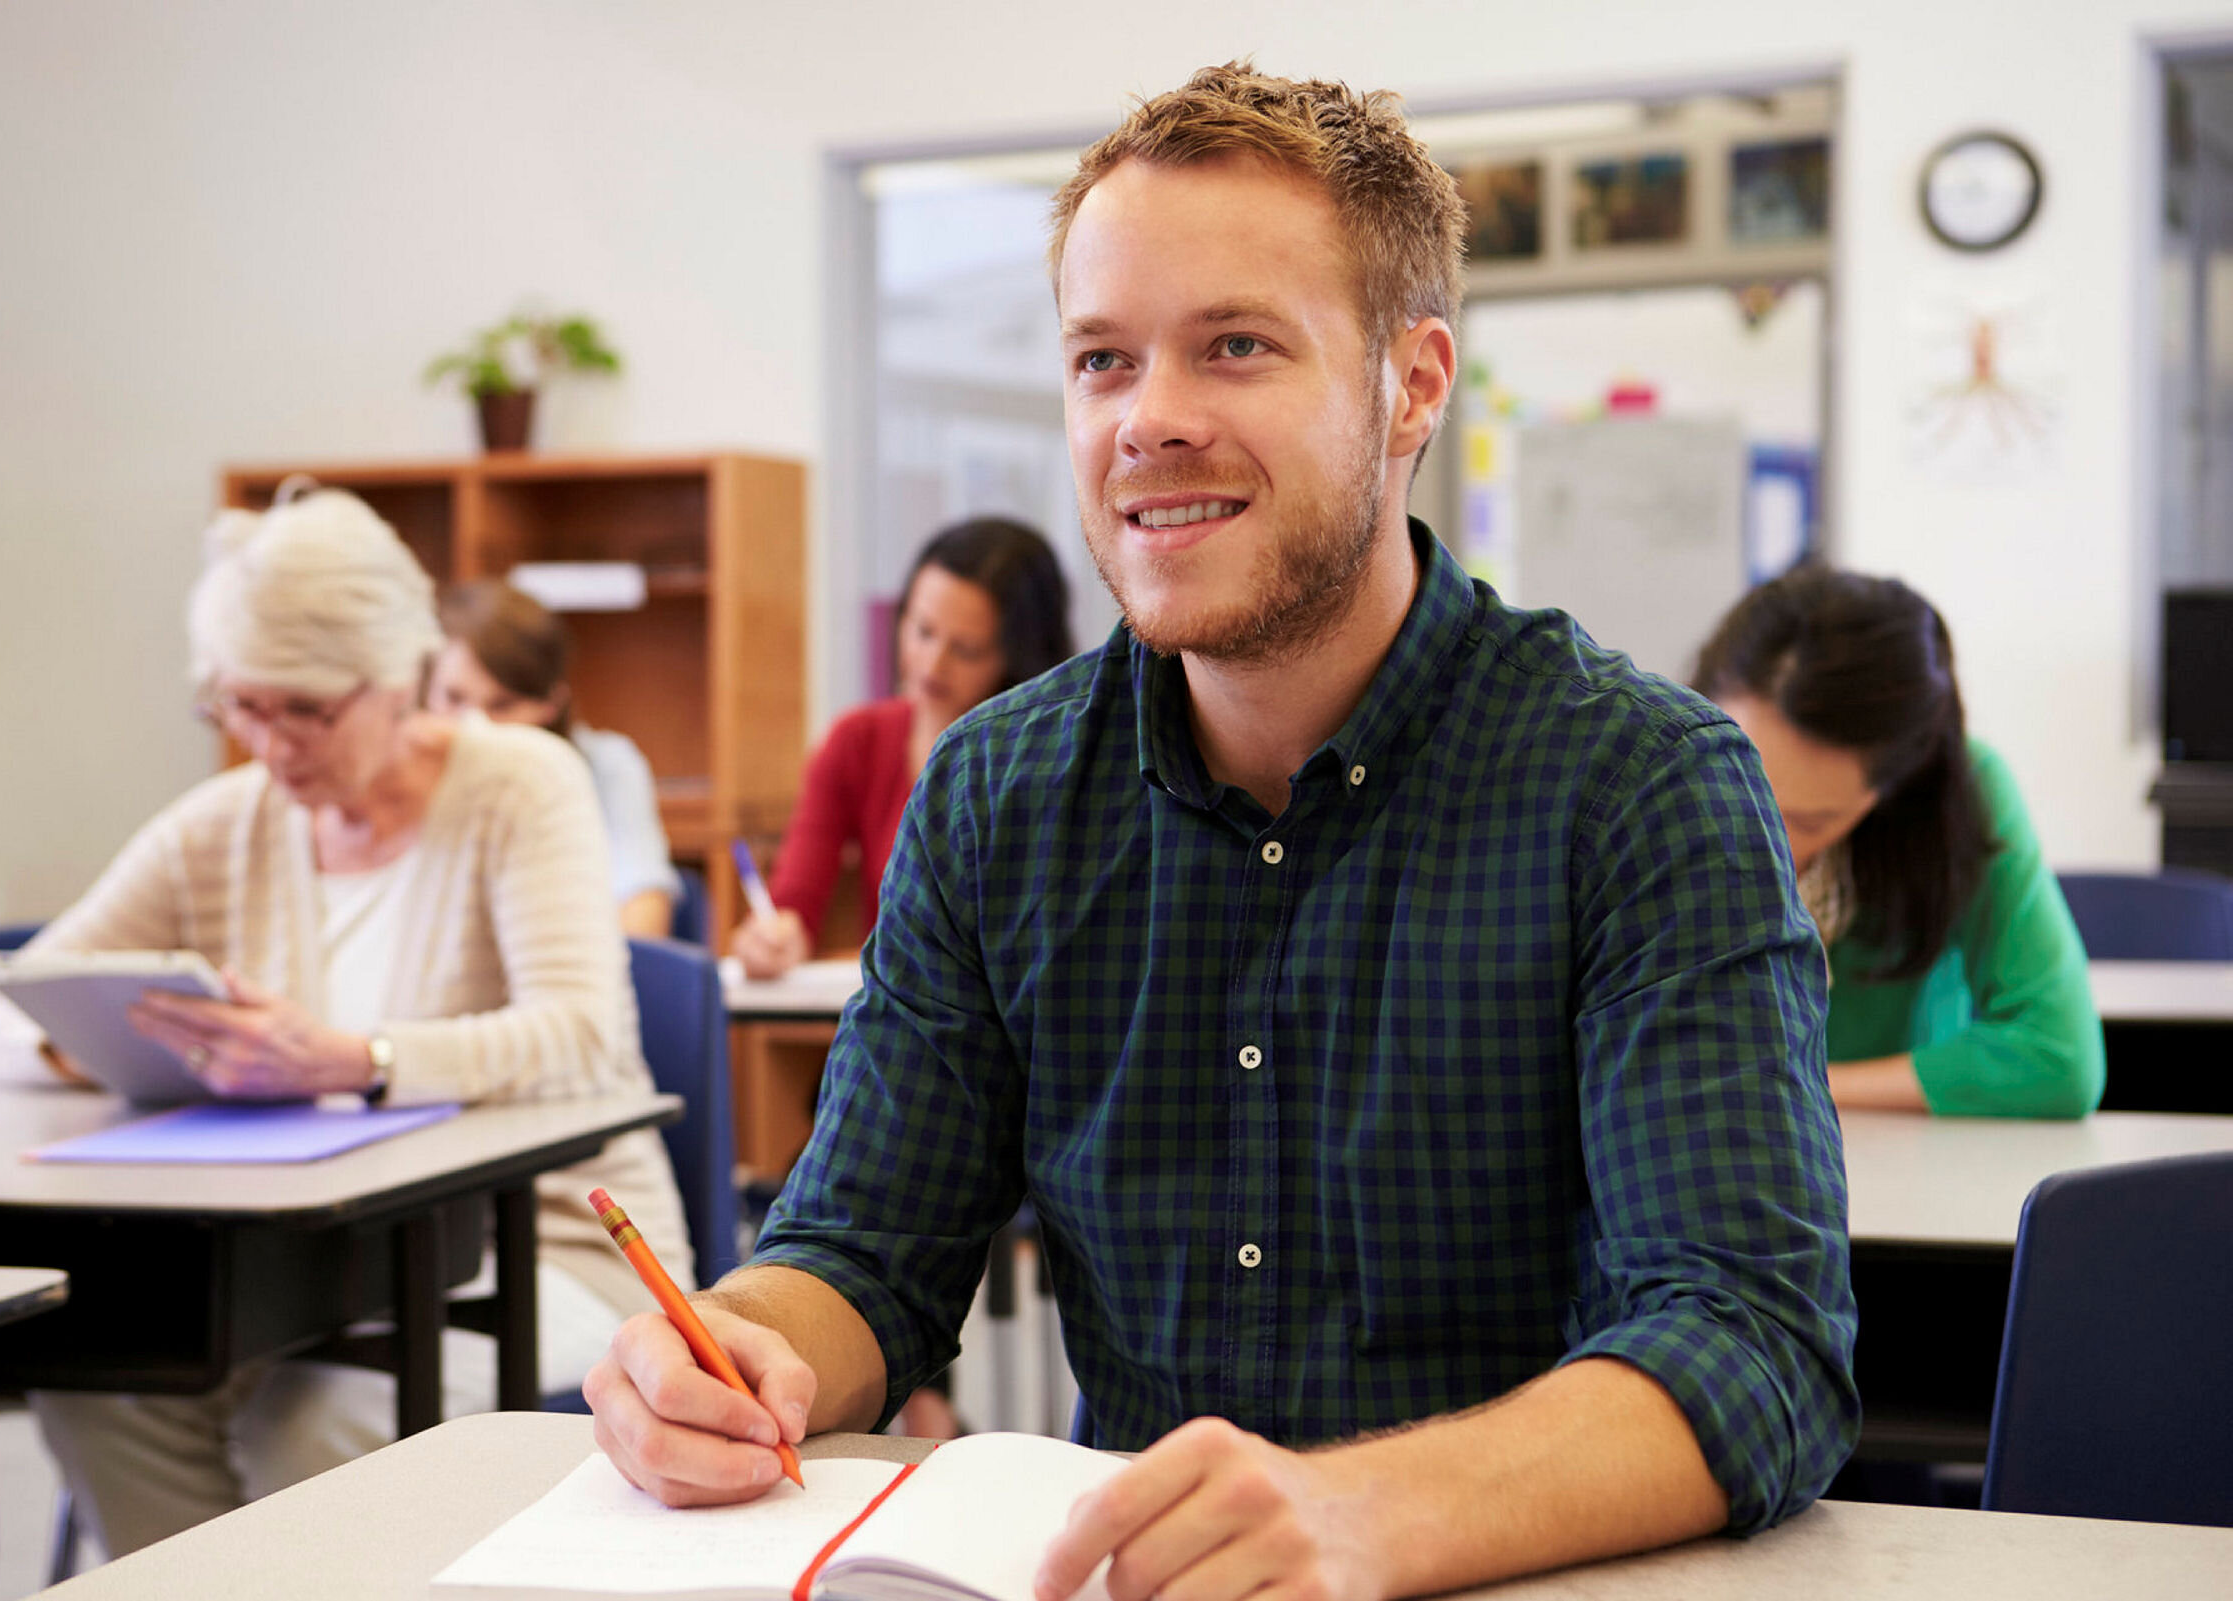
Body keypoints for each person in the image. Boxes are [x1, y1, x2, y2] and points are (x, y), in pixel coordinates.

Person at [587, 61, 1855, 1601]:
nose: (1151, 422)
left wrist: (1365, 1513)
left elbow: (1751, 1341)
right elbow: (863, 1252)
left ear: (1415, 383)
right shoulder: (995, 794)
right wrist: (734, 1351)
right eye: (1103, 361)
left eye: (1237, 346)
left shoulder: (1641, 783)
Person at [0, 486, 693, 1557]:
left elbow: (578, 1031)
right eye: (243, 708)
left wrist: (358, 1060)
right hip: (282, 1266)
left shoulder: (521, 784)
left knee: (315, 1420)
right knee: (106, 1384)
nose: (273, 744)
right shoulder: (224, 823)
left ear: (402, 681)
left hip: (540, 1247)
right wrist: (105, 1037)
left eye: (308, 709)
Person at [1694, 566, 2105, 1118]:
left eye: (1813, 821)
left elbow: (2061, 1060)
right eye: (1743, 802)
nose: (1771, 846)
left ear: (1896, 789)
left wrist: (1789, 1086)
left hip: (1901, 1173)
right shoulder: (1654, 787)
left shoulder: (1961, 797)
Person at [730, 516, 1072, 980]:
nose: (932, 664)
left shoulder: (1056, 756)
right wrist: (776, 935)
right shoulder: (858, 741)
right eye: (923, 631)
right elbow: (796, 900)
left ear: (1018, 658)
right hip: (898, 1022)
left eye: (966, 649)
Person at [427, 579, 683, 940]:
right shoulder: (402, 777)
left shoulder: (604, 766)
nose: (474, 728)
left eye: (502, 706)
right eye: (453, 699)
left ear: (550, 706)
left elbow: (642, 920)